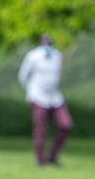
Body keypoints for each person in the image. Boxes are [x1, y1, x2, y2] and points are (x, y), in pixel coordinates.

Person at [18, 34, 72, 165]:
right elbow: (23, 76)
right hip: (38, 96)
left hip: (54, 96)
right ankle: (40, 160)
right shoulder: (33, 56)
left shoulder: (57, 56)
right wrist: (31, 91)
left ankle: (53, 156)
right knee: (41, 129)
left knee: (65, 124)